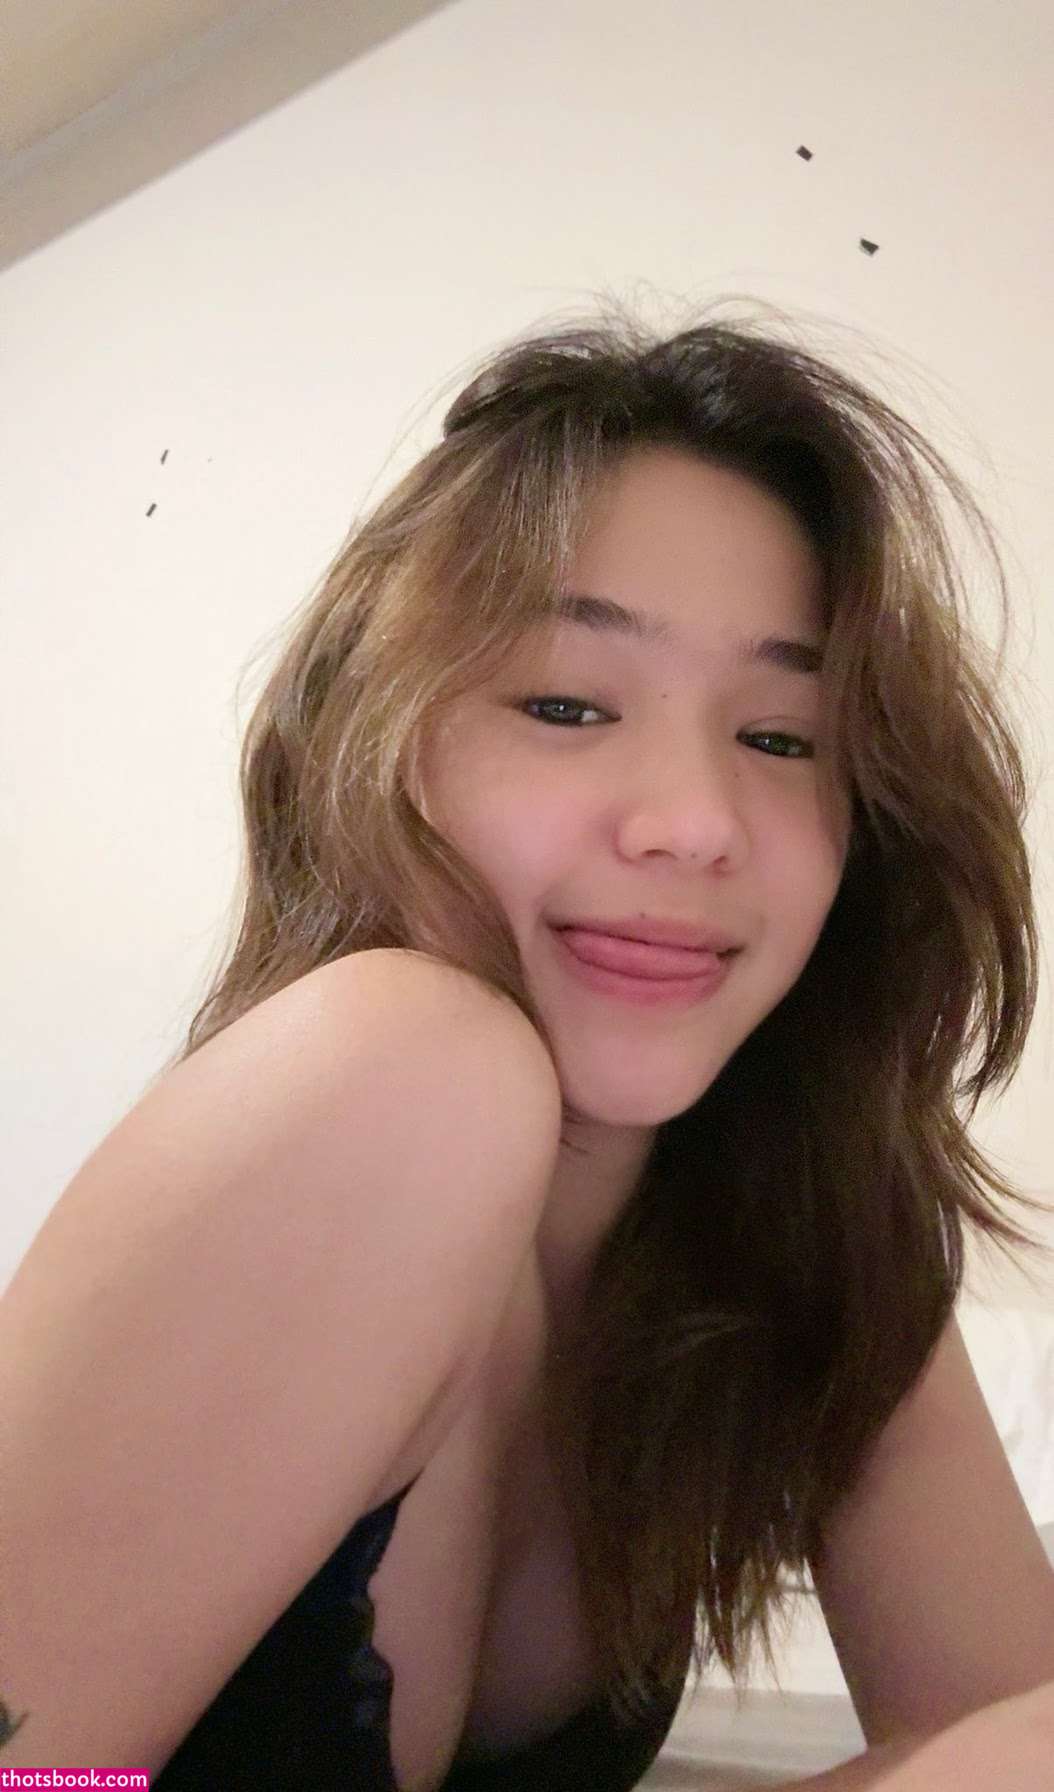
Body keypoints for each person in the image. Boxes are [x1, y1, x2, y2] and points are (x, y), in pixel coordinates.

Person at [4, 295, 1054, 1790]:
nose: (693, 823)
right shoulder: (393, 1071)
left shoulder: (805, 1228)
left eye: (782, 739)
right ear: (377, 744)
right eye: (564, 704)